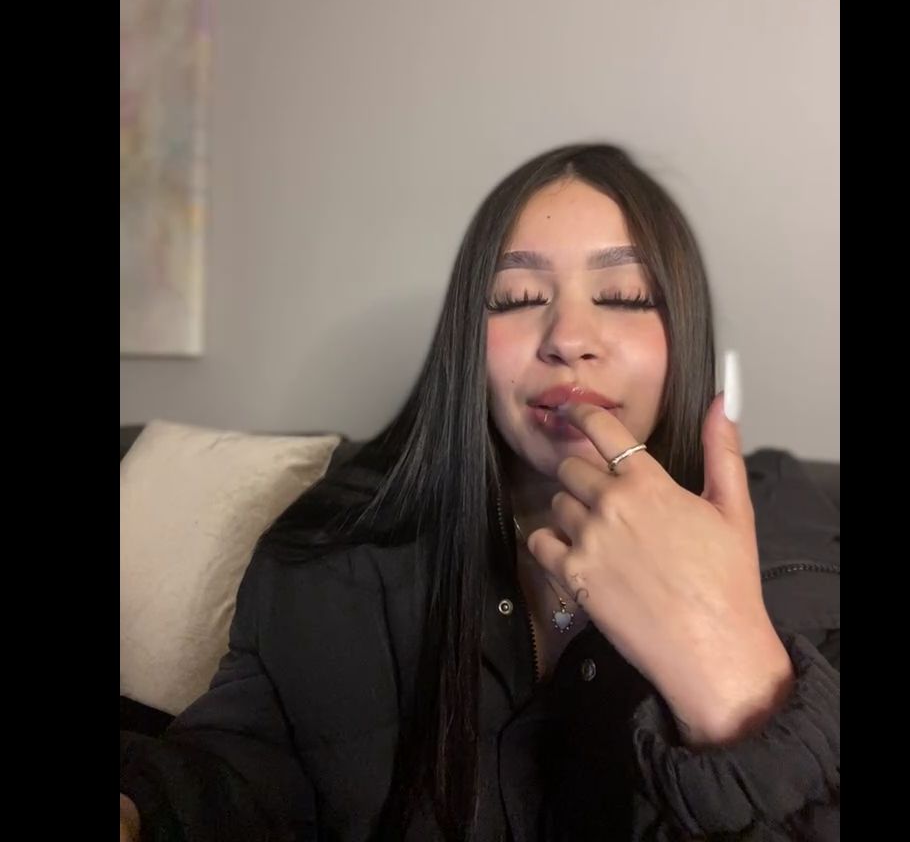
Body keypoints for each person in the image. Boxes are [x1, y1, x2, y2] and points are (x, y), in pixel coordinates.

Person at [120, 143, 840, 841]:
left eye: (623, 295)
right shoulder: (342, 543)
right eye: (518, 297)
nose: (569, 337)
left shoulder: (790, 527)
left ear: (683, 333)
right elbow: (242, 767)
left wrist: (729, 673)